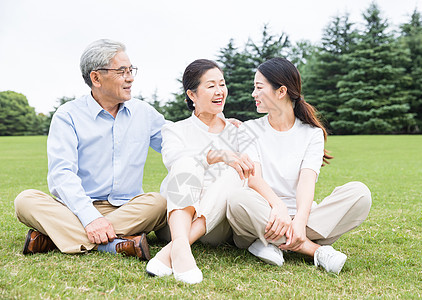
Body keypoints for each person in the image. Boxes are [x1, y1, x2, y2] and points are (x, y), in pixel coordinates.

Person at [14, 39, 167, 260]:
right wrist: (89, 217)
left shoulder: (144, 112)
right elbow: (61, 174)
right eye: (122, 71)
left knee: (159, 203)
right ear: (96, 77)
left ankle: (55, 238)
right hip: (75, 207)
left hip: (127, 208)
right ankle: (113, 244)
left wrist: (216, 131)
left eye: (131, 70)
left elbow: (176, 142)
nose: (130, 77)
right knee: (25, 200)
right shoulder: (68, 115)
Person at [227, 57, 372, 274]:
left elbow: (307, 181)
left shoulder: (312, 134)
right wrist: (279, 207)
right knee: (237, 200)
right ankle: (313, 250)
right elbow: (253, 177)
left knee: (360, 194)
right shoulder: (249, 129)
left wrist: (300, 221)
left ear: (281, 91)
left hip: (305, 219)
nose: (253, 94)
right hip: (262, 214)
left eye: (258, 87)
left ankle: (273, 243)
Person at [146, 59, 254, 284]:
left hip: (216, 227)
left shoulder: (238, 130)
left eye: (222, 84)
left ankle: (173, 251)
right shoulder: (174, 130)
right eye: (211, 85)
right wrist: (218, 155)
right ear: (192, 95)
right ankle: (182, 248)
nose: (219, 91)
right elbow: (175, 159)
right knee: (186, 163)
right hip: (175, 223)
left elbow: (252, 175)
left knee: (237, 172)